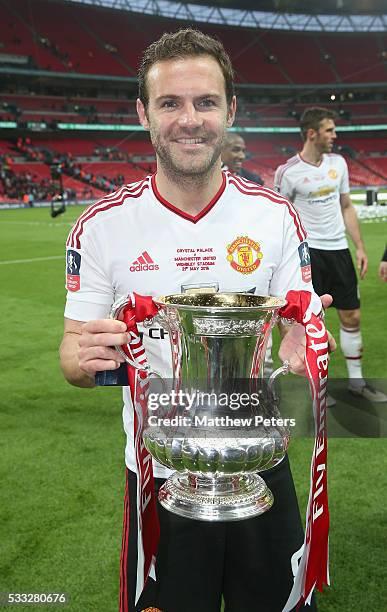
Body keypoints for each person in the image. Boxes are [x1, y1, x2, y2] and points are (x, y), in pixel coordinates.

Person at [60, 30, 333, 612]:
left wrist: (300, 341)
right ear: (144, 113)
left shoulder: (275, 217)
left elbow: (297, 328)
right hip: (161, 470)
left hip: (261, 462)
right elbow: (72, 358)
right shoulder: (101, 227)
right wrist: (87, 360)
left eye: (206, 102)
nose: (190, 119)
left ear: (230, 110)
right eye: (170, 103)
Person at [274, 107, 387, 405]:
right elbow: (281, 217)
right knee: (312, 321)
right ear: (312, 134)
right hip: (309, 254)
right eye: (330, 130)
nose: (335, 136)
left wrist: (359, 246)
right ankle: (318, 390)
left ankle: (357, 383)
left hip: (339, 251)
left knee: (352, 315)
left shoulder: (339, 163)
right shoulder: (288, 172)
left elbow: (346, 205)